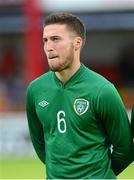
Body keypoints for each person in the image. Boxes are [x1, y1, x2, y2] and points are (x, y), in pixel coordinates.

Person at [26, 12, 133, 179]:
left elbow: (125, 149)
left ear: (77, 43)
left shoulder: (102, 90)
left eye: (56, 39)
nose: (48, 47)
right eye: (45, 40)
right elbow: (39, 144)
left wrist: (100, 174)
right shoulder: (35, 90)